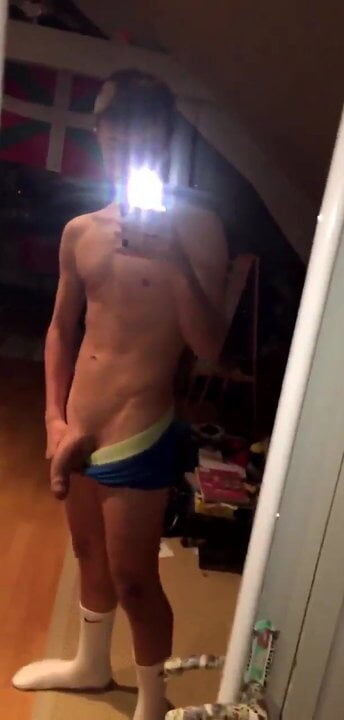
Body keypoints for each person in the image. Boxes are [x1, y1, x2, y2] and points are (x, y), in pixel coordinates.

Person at [12, 69, 228, 720]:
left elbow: (209, 344)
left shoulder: (198, 228)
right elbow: (60, 328)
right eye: (115, 135)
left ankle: (153, 703)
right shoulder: (81, 229)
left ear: (161, 141)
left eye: (140, 137)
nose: (125, 148)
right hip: (78, 421)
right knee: (87, 555)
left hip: (141, 423)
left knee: (136, 579)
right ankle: (90, 664)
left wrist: (171, 260)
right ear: (101, 134)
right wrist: (53, 420)